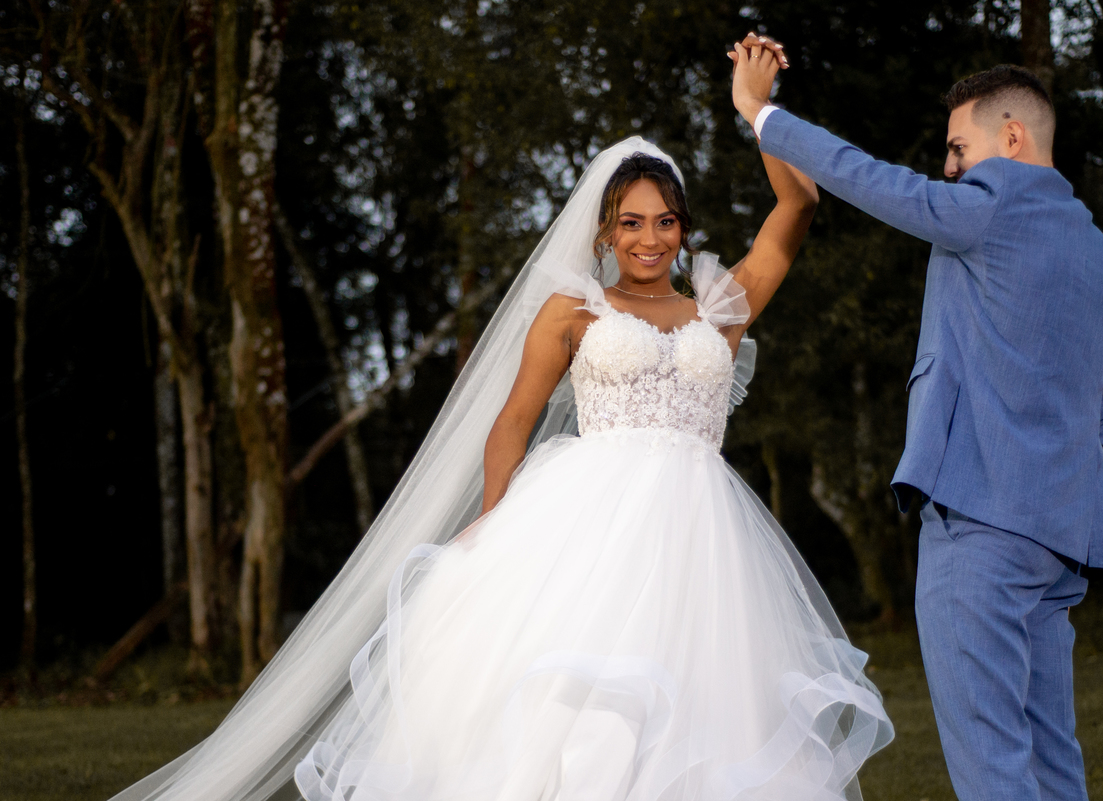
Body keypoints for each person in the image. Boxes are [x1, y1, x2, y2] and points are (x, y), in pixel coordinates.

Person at [109, 91, 891, 801]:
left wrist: (758, 109)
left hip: (703, 539)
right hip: (592, 523)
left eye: (664, 221)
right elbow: (514, 420)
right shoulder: (573, 310)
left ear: (684, 228)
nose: (649, 238)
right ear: (605, 230)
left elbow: (798, 203)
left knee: (702, 705)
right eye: (630, 221)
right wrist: (494, 520)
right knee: (580, 704)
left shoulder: (719, 309)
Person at [729, 33, 1103, 801]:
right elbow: (1100, 413)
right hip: (1059, 540)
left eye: (957, 148)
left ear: (1011, 139)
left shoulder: (992, 208)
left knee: (993, 766)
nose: (948, 168)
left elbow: (866, 177)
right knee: (1053, 760)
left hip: (978, 530)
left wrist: (758, 109)